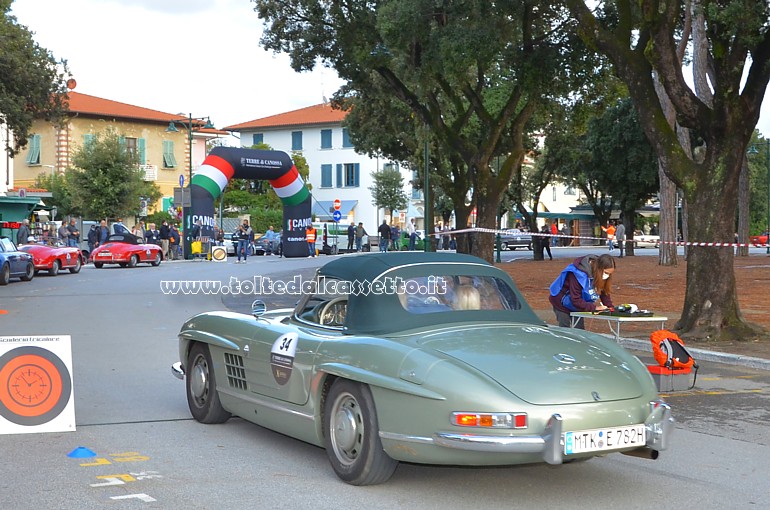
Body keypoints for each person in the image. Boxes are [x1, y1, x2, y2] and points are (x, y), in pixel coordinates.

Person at [548, 254, 616, 329]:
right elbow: (575, 300)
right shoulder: (578, 274)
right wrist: (595, 308)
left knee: (579, 329)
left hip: (579, 303)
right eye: (606, 273)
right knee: (565, 328)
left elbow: (604, 292)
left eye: (610, 274)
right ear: (599, 268)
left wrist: (610, 308)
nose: (607, 276)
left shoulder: (600, 274)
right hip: (561, 301)